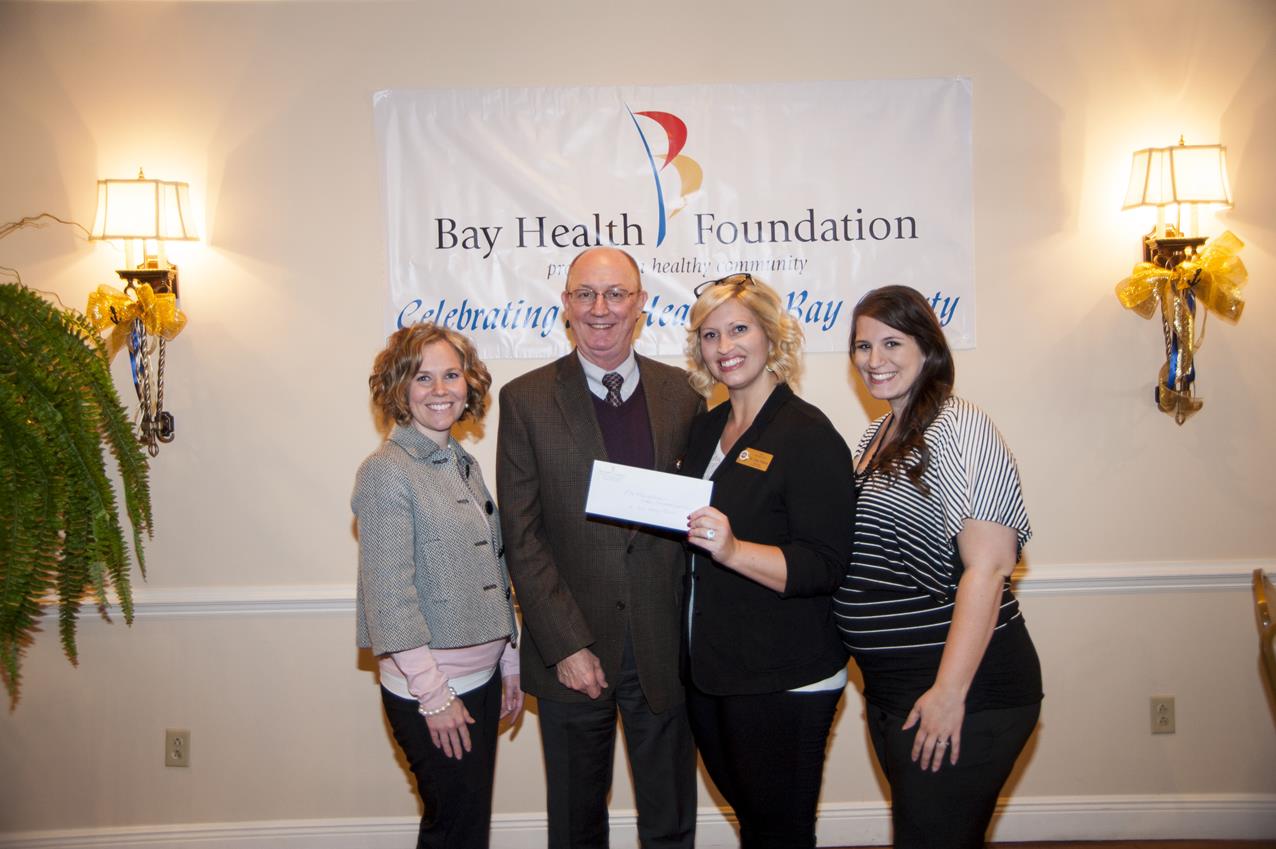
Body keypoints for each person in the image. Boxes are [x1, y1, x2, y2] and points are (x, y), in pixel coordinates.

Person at [496, 247, 702, 849]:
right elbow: (522, 534)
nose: (600, 308)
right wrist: (566, 643)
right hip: (571, 650)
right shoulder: (526, 398)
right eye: (585, 294)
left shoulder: (685, 393)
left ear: (640, 304)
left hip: (664, 650)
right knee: (576, 826)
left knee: (670, 823)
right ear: (566, 304)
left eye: (616, 294)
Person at [835, 285, 1043, 849]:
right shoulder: (878, 434)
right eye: (863, 346)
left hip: (964, 690)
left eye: (892, 343)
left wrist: (950, 692)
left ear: (928, 347)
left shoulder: (959, 425)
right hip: (895, 689)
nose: (874, 360)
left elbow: (988, 568)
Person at [680, 273, 855, 849]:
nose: (724, 346)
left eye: (739, 330)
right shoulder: (706, 429)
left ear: (772, 336)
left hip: (785, 675)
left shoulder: (807, 434)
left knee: (780, 833)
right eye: (710, 335)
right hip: (713, 671)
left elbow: (824, 565)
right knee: (756, 826)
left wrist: (734, 550)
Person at [353, 323, 523, 849]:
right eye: (422, 377)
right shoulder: (386, 471)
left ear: (469, 383)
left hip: (479, 678)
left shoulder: (460, 462)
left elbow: (491, 566)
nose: (440, 389)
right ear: (398, 388)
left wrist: (509, 661)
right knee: (453, 833)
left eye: (451, 374)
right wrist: (433, 696)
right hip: (436, 688)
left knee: (467, 829)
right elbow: (389, 598)